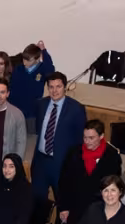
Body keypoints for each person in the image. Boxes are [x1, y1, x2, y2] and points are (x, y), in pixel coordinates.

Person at [32, 72, 86, 211]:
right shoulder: (41, 104)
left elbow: (80, 140)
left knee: (63, 205)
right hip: (40, 162)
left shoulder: (76, 109)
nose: (54, 90)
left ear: (65, 87)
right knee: (37, 204)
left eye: (58, 86)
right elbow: (39, 129)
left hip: (62, 164)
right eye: (51, 87)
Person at [57, 119, 122, 224]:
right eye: (85, 137)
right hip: (73, 209)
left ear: (101, 136)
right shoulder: (74, 153)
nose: (87, 141)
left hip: (97, 212)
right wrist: (64, 207)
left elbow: (113, 187)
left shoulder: (112, 156)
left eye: (91, 138)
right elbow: (64, 182)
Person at [9, 41, 54, 131]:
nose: (25, 62)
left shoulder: (42, 69)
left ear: (37, 59)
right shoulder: (18, 69)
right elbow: (12, 88)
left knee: (30, 140)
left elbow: (51, 69)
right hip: (15, 112)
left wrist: (43, 50)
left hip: (32, 114)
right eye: (24, 59)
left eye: (28, 60)